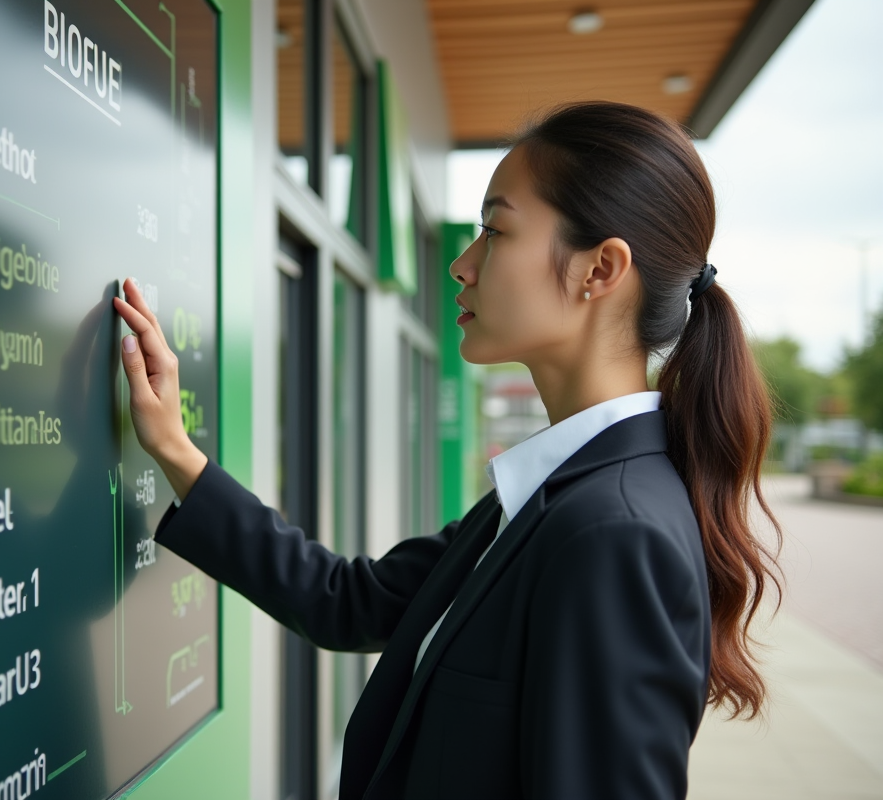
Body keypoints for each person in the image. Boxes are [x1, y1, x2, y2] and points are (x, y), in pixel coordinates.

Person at [112, 101, 781, 800]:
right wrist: (174, 451)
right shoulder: (552, 499)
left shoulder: (613, 531)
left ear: (601, 269)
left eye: (494, 230)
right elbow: (350, 601)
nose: (461, 265)